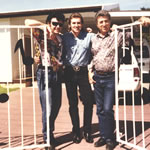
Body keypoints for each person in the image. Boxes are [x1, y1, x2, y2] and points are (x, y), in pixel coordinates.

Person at [88, 10, 132, 150]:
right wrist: (90, 71)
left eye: (106, 21)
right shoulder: (93, 38)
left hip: (110, 77)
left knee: (107, 108)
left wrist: (142, 21)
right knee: (100, 109)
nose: (104, 24)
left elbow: (132, 31)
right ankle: (104, 136)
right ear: (97, 24)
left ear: (110, 22)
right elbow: (91, 57)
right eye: (101, 22)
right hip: (97, 77)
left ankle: (110, 138)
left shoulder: (116, 35)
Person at [25, 12, 65, 148]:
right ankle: (47, 139)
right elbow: (27, 21)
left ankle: (49, 133)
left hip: (57, 74)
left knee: (57, 105)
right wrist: (44, 26)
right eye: (54, 23)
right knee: (47, 108)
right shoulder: (41, 34)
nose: (57, 26)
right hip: (44, 72)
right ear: (49, 23)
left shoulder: (61, 38)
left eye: (60, 24)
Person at [62, 13, 94, 144]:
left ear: (82, 24)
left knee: (88, 102)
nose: (76, 25)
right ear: (69, 24)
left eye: (78, 23)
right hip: (69, 72)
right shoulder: (64, 37)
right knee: (73, 104)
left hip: (83, 72)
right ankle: (76, 130)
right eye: (74, 23)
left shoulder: (89, 36)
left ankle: (87, 130)